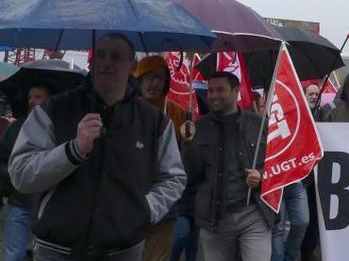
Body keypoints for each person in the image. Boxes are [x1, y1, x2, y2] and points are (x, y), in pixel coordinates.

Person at [9, 33, 186, 260]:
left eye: (116, 56)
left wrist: (145, 209)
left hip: (123, 250)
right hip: (57, 249)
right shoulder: (54, 110)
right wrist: (73, 150)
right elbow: (21, 174)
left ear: (132, 65)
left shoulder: (155, 123)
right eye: (101, 54)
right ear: (92, 62)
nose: (107, 62)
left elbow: (174, 177)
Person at [181, 72, 274, 261]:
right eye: (211, 91)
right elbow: (192, 176)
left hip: (254, 215)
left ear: (235, 91)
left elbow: (276, 165)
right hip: (215, 219)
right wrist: (189, 144)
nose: (214, 95)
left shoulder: (259, 125)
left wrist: (261, 176)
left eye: (220, 90)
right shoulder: (197, 128)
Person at [133, 55, 181, 261]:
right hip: (128, 205)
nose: (154, 83)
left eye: (160, 78)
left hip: (163, 207)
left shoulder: (178, 114)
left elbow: (180, 167)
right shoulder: (125, 111)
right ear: (139, 79)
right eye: (149, 77)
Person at [0, 81, 53, 261]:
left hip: (48, 206)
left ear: (49, 100)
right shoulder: (16, 127)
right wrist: (14, 180)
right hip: (19, 202)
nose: (31, 101)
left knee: (43, 256)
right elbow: (2, 158)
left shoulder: (58, 127)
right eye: (30, 97)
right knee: (13, 255)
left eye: (37, 97)